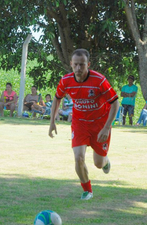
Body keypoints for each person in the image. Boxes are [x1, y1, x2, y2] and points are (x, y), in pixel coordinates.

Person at [48, 49, 119, 201]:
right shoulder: (66, 81)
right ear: (71, 64)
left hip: (100, 125)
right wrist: (52, 122)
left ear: (89, 65)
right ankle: (87, 190)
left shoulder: (99, 80)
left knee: (98, 164)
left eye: (82, 65)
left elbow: (114, 103)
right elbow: (57, 99)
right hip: (79, 124)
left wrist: (107, 127)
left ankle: (105, 161)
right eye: (76, 65)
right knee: (78, 158)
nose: (79, 68)